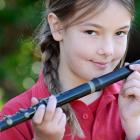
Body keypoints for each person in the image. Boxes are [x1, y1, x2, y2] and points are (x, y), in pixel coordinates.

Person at [0, 0, 140, 139]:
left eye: (120, 33)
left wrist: (134, 128)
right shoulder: (14, 115)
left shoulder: (135, 102)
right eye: (91, 32)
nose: (108, 50)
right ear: (57, 27)